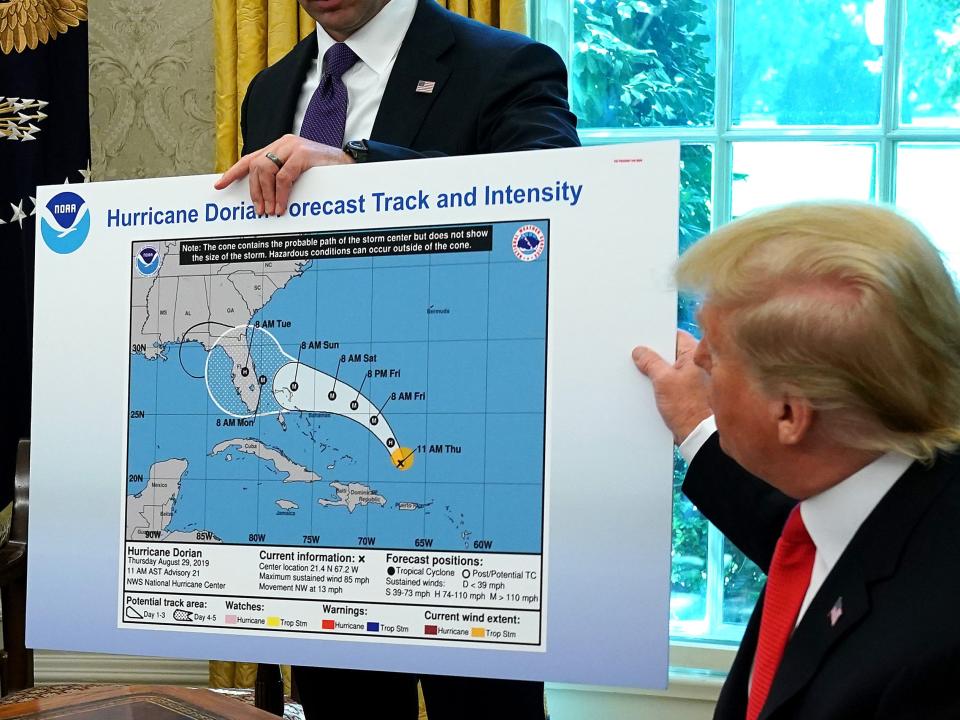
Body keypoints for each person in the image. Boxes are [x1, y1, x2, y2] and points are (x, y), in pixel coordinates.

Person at [215, 0, 579, 717]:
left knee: (483, 707)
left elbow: (558, 201)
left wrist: (360, 163)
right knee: (341, 702)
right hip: (331, 469)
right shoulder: (270, 88)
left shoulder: (504, 66)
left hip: (461, 474)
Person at [633, 202, 960, 719]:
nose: (696, 361)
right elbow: (801, 535)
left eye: (715, 352)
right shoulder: (883, 482)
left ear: (789, 414)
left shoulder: (931, 660)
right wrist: (699, 423)